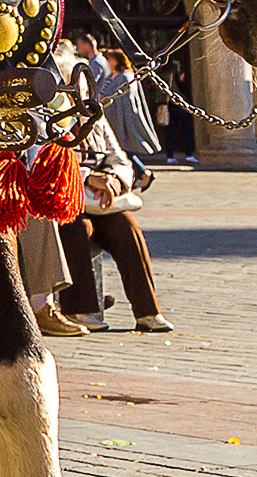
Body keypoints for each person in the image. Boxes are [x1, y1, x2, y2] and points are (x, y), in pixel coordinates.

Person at [51, 119, 173, 333]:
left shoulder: (95, 116)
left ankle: (148, 311)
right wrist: (88, 178)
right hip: (66, 196)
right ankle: (78, 310)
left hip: (99, 200)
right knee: (78, 228)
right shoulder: (47, 114)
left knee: (128, 228)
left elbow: (120, 158)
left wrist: (115, 179)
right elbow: (42, 161)